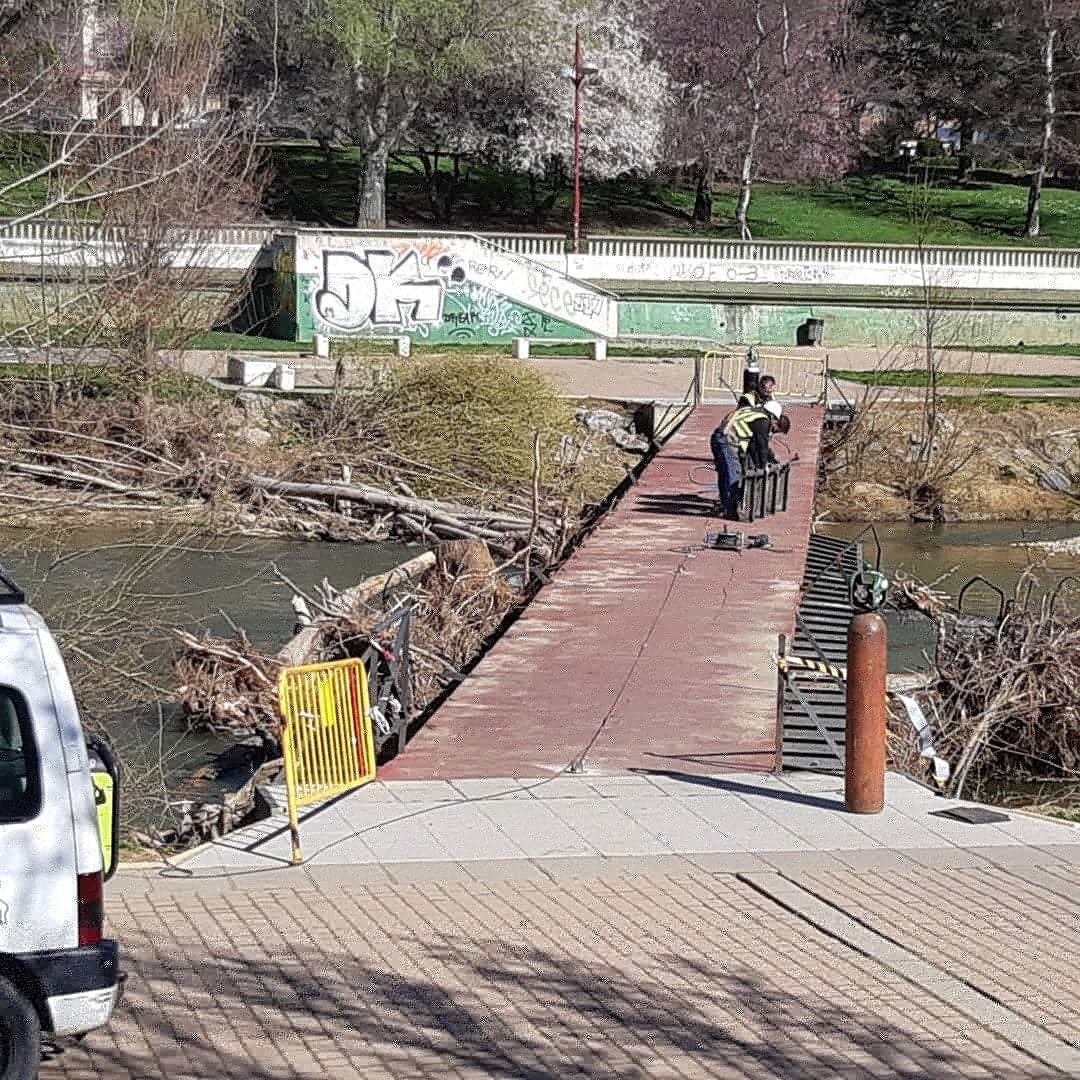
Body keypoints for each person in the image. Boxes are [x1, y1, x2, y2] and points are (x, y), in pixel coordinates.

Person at [710, 404, 791, 521]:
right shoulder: (762, 421)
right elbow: (761, 445)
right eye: (776, 430)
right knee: (734, 477)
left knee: (725, 475)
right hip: (726, 442)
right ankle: (731, 512)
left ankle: (726, 506)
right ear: (775, 419)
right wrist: (763, 466)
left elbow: (754, 444)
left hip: (719, 438)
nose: (773, 432)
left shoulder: (753, 413)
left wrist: (772, 459)